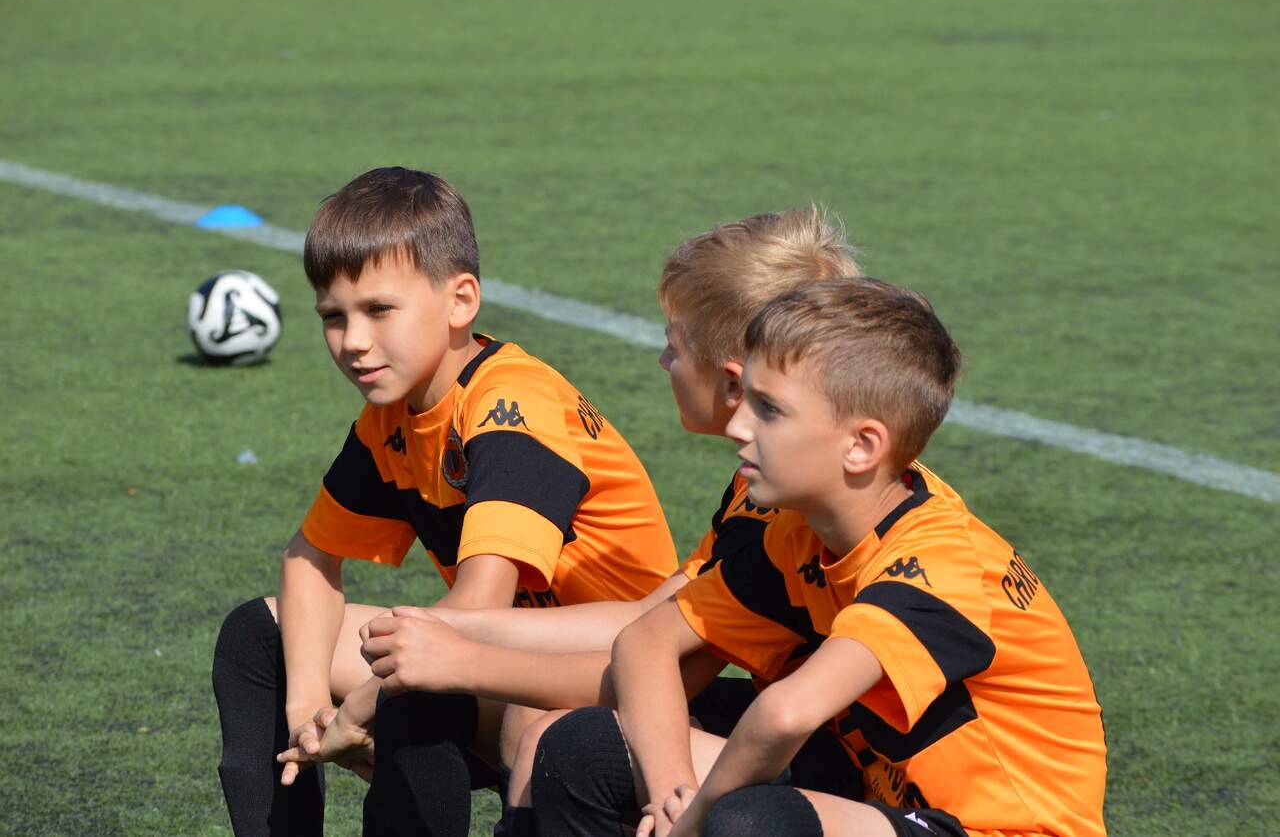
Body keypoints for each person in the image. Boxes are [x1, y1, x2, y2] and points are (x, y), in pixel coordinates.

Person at [278, 206, 864, 836]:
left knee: (563, 741)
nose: (662, 360)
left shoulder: (796, 510)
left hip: (864, 776)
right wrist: (437, 641)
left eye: (675, 345)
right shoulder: (757, 494)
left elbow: (680, 670)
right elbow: (649, 625)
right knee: (527, 722)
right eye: (334, 317)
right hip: (803, 734)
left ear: (731, 384)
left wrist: (443, 662)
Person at [532, 278, 1108, 837]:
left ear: (861, 446)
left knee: (752, 824)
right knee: (586, 746)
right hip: (866, 788)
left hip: (993, 827)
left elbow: (786, 714)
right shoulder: (796, 531)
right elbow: (645, 640)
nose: (738, 424)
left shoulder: (941, 562)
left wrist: (692, 820)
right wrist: (670, 793)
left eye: (769, 409)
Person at [211, 166, 678, 837]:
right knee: (262, 635)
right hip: (500, 667)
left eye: (379, 310)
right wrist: (309, 709)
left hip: (614, 680)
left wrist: (359, 707)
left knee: (415, 674)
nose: (353, 341)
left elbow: (479, 607)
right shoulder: (391, 419)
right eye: (334, 317)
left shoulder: (511, 404)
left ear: (460, 302)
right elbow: (310, 558)